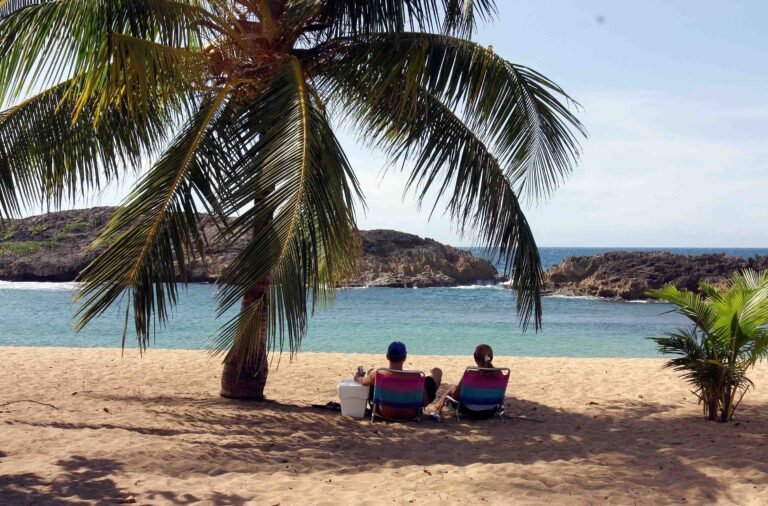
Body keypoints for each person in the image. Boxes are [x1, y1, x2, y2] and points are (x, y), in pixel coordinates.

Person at [355, 341, 442, 419]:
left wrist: (357, 376)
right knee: (436, 372)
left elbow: (362, 381)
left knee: (371, 376)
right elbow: (425, 402)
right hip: (410, 414)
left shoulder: (377, 374)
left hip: (384, 413)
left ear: (387, 356)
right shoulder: (416, 376)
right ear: (404, 358)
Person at [434, 344, 502, 417]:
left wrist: (449, 395)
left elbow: (456, 396)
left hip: (470, 411)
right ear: (491, 358)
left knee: (453, 388)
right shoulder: (499, 373)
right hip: (491, 411)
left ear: (475, 358)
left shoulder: (470, 374)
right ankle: (439, 404)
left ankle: (438, 406)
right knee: (453, 389)